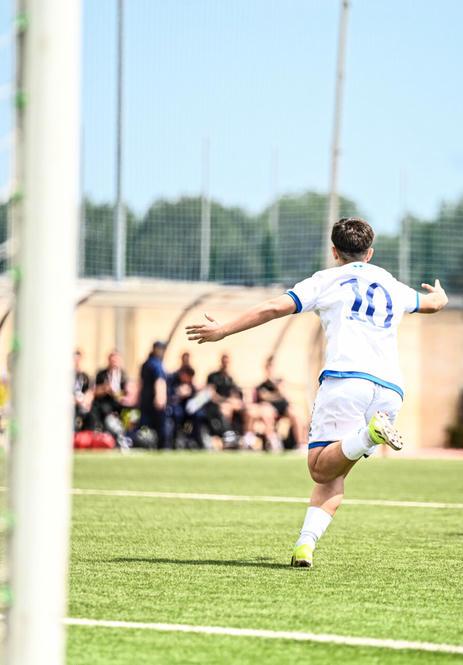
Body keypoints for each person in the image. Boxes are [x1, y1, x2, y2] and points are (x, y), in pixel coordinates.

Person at [187, 217, 448, 568]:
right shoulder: (390, 283)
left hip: (347, 381)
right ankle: (305, 545)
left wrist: (223, 330)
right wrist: (440, 295)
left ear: (334, 252)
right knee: (334, 475)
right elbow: (432, 304)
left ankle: (368, 436)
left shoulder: (326, 280)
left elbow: (273, 308)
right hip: (390, 391)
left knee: (318, 468)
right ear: (370, 253)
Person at [254, 355, 306, 450]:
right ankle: (272, 442)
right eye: (268, 366)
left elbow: (282, 393)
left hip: (283, 406)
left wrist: (271, 391)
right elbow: (263, 396)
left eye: (271, 366)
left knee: (296, 413)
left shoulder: (279, 380)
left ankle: (301, 444)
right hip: (270, 408)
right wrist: (274, 395)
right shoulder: (261, 385)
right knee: (266, 412)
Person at [205, 354, 245, 446]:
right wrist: (225, 401)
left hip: (228, 403)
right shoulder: (213, 376)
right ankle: (228, 436)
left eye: (227, 362)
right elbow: (211, 394)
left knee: (244, 409)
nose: (225, 364)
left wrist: (235, 401)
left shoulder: (229, 378)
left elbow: (234, 392)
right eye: (224, 362)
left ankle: (245, 438)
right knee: (226, 410)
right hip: (215, 405)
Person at [137, 341, 168, 448]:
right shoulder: (156, 364)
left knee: (144, 426)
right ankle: (161, 447)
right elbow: (159, 381)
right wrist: (160, 397)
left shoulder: (147, 363)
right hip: (153, 400)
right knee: (160, 427)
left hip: (145, 399)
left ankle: (144, 446)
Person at [73, 349, 93, 431]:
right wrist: (76, 401)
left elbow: (90, 391)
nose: (77, 363)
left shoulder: (84, 376)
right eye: (75, 360)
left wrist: (87, 400)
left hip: (82, 403)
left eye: (78, 360)